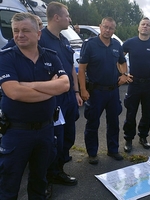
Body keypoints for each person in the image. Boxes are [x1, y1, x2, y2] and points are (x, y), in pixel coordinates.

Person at [0, 12, 69, 199]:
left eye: (25, 30)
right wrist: (50, 89)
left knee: (40, 182)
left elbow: (64, 85)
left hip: (46, 130)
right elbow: (13, 92)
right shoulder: (5, 57)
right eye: (16, 31)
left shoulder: (51, 56)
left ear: (38, 34)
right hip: (16, 133)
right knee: (9, 184)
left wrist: (28, 86)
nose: (19, 35)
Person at [38, 1, 83, 194]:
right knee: (52, 141)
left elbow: (71, 68)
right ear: (57, 17)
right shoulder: (40, 39)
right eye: (67, 15)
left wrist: (76, 92)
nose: (69, 19)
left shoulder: (63, 39)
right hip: (53, 99)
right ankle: (46, 177)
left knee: (69, 136)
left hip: (68, 97)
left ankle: (58, 169)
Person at [78, 17, 129, 164]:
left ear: (114, 30)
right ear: (100, 27)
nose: (107, 30)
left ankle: (113, 150)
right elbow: (82, 69)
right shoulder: (90, 45)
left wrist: (124, 75)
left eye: (111, 28)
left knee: (113, 122)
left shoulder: (116, 45)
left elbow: (122, 61)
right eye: (105, 27)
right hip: (96, 92)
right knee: (93, 122)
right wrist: (83, 90)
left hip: (113, 91)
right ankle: (92, 153)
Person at [122, 17, 150, 153]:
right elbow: (119, 59)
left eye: (148, 25)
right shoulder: (130, 43)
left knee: (147, 113)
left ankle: (143, 137)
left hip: (149, 84)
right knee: (131, 112)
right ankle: (128, 139)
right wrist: (124, 74)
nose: (145, 27)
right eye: (143, 24)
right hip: (134, 83)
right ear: (138, 28)